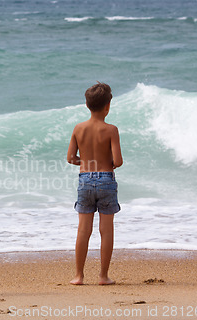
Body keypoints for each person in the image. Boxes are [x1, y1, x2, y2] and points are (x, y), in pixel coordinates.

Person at [66, 82, 123, 285]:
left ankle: (78, 276)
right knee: (105, 231)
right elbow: (117, 161)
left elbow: (71, 158)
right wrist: (105, 164)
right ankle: (103, 276)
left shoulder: (78, 128)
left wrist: (87, 162)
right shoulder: (111, 130)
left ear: (87, 105)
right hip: (106, 181)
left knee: (83, 230)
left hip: (85, 180)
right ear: (108, 106)